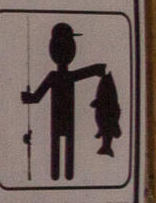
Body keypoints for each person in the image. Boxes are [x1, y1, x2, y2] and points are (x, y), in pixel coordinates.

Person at [21, 22, 107, 183]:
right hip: (65, 118)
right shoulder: (59, 76)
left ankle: (62, 175)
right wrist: (96, 69)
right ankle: (61, 175)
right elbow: (38, 96)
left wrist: (29, 98)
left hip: (61, 118)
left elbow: (37, 97)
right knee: (64, 145)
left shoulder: (55, 76)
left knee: (62, 146)